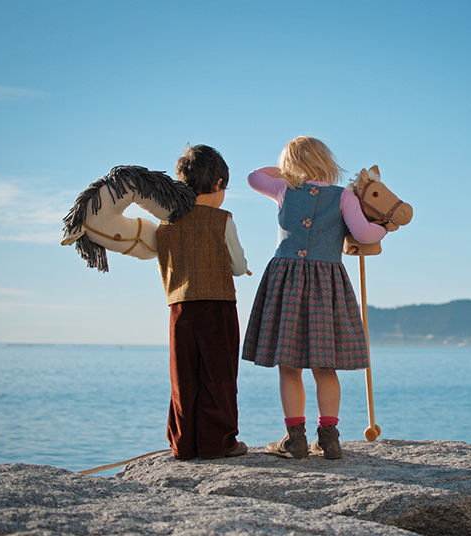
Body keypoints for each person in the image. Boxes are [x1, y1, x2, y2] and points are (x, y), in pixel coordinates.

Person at [242, 136, 386, 459]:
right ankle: (329, 438)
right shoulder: (344, 196)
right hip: (326, 286)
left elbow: (254, 177)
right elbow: (363, 234)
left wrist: (284, 172)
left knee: (289, 365)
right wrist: (383, 229)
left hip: (287, 284)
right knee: (325, 366)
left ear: (289, 166)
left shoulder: (283, 189)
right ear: (327, 163)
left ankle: (295, 439)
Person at [155, 144, 249, 460]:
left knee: (183, 376)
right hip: (218, 305)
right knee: (219, 375)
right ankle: (218, 442)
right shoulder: (223, 220)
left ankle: (183, 443)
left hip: (179, 307)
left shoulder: (166, 224)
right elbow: (238, 266)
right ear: (219, 183)